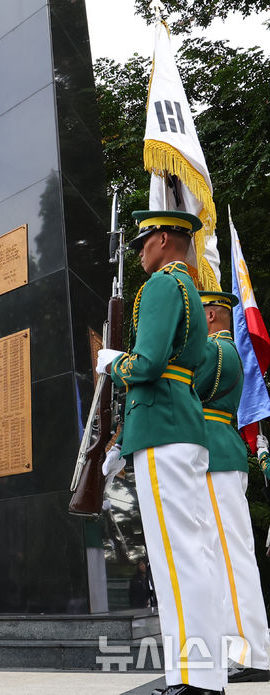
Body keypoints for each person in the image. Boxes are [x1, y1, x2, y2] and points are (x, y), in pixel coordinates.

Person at [101, 210, 225, 695]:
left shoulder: (160, 287)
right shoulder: (188, 289)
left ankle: (195, 679)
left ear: (166, 238)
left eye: (144, 240)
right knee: (192, 555)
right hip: (178, 425)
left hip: (162, 430)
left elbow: (148, 364)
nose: (139, 251)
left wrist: (115, 364)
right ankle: (199, 675)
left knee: (177, 559)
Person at [196, 291, 270, 683]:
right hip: (219, 456)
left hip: (217, 458)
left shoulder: (216, 351)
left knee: (230, 555)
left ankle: (253, 652)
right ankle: (240, 647)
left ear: (210, 315)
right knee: (224, 555)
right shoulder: (224, 351)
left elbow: (184, 389)